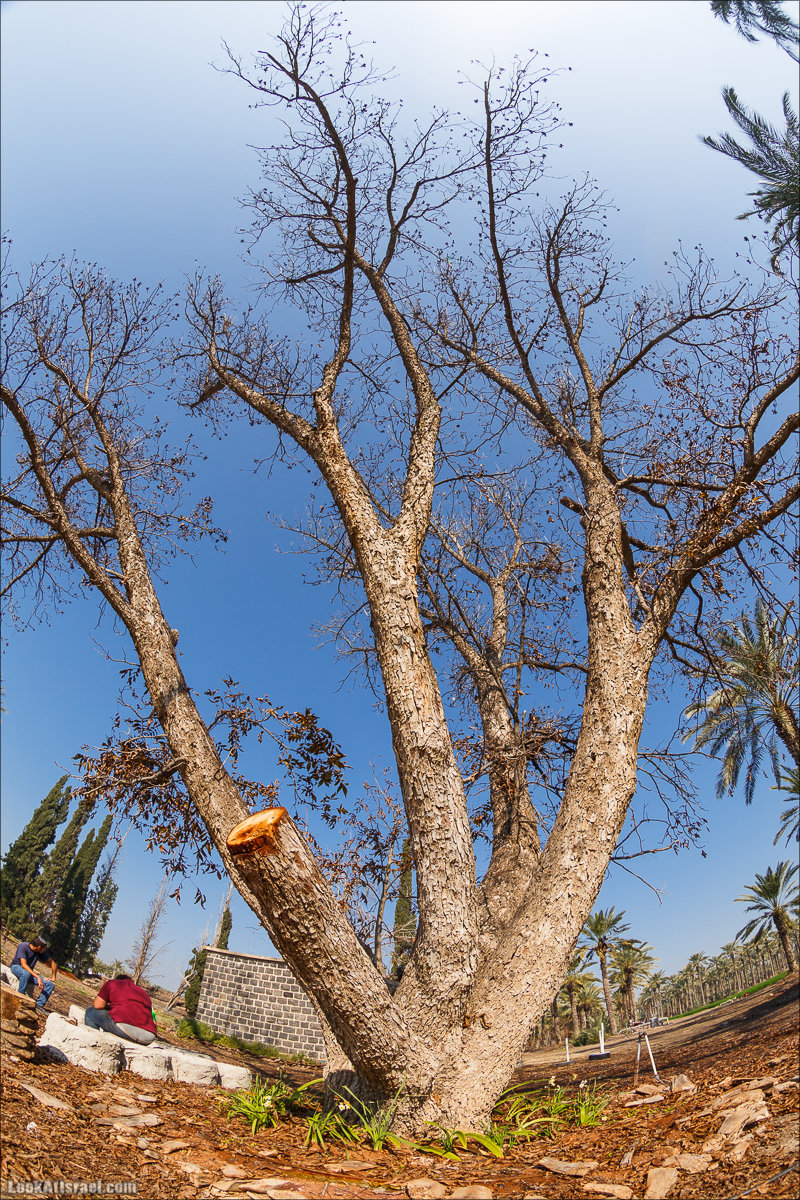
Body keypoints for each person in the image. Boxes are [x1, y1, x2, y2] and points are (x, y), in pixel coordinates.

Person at [84, 973, 157, 1044]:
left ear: (118, 980)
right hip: (149, 1037)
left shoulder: (112, 983)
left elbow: (98, 1005)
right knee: (113, 1018)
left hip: (126, 1030)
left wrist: (108, 1007)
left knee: (90, 1011)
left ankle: (92, 1042)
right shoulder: (143, 992)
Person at [10, 936, 58, 1009]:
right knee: (26, 973)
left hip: (29, 973)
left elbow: (53, 963)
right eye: (44, 948)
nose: (44, 950)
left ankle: (39, 1006)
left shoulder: (40, 952)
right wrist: (37, 977)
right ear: (39, 947)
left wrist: (53, 977)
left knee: (50, 984)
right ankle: (20, 996)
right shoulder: (23, 946)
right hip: (16, 967)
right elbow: (23, 965)